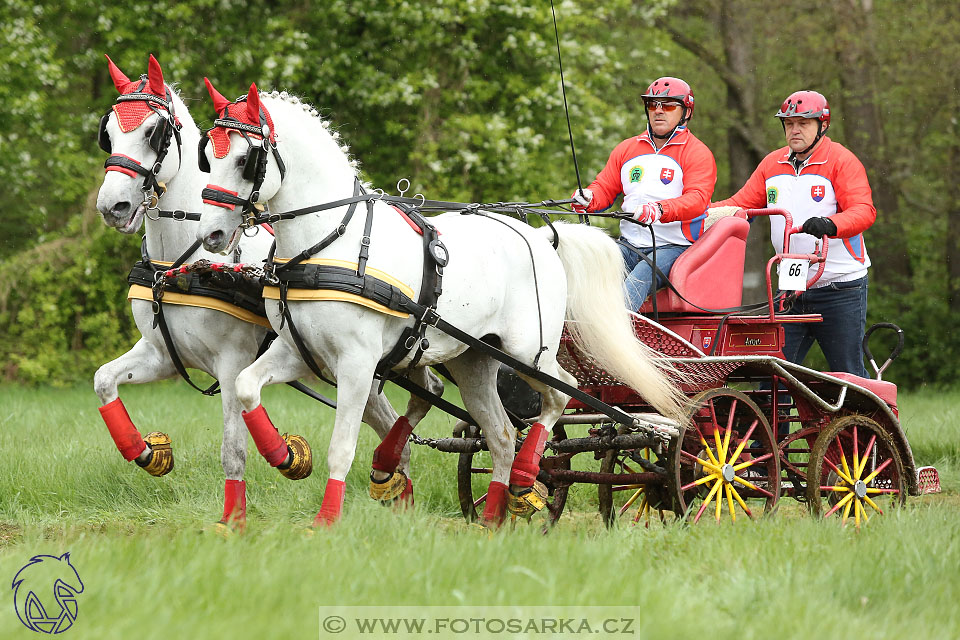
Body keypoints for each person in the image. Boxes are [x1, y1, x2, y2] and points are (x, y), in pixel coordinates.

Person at [711, 90, 874, 377]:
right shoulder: (772, 164)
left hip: (839, 286)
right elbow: (739, 204)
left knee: (848, 375)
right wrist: (694, 212)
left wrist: (830, 224)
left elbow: (864, 211)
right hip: (792, 286)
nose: (794, 130)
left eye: (804, 123)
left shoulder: (841, 161)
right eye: (789, 124)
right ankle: (777, 424)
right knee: (774, 376)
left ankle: (864, 423)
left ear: (822, 126)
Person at [571, 76, 717, 311]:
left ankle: (611, 335)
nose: (659, 111)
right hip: (628, 246)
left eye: (668, 105)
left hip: (673, 247)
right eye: (652, 105)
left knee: (639, 278)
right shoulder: (627, 148)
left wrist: (659, 209)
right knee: (583, 263)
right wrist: (587, 198)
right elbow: (604, 188)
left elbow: (698, 200)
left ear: (686, 112)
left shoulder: (697, 153)